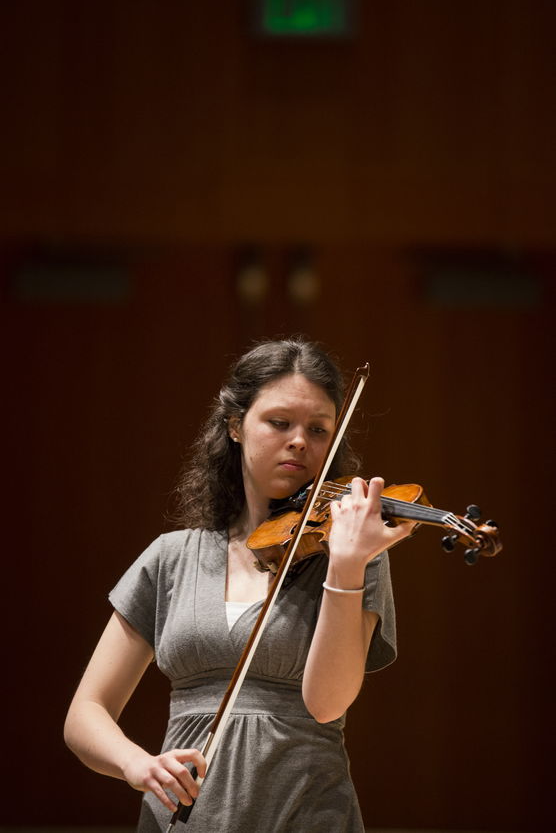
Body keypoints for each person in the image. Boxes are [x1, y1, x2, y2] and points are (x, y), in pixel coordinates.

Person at [64, 337, 415, 832]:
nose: (299, 441)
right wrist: (137, 765)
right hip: (183, 821)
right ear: (235, 426)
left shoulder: (350, 554)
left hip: (308, 816)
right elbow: (86, 712)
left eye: (318, 429)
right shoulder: (172, 557)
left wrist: (347, 566)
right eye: (279, 423)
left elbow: (327, 703)